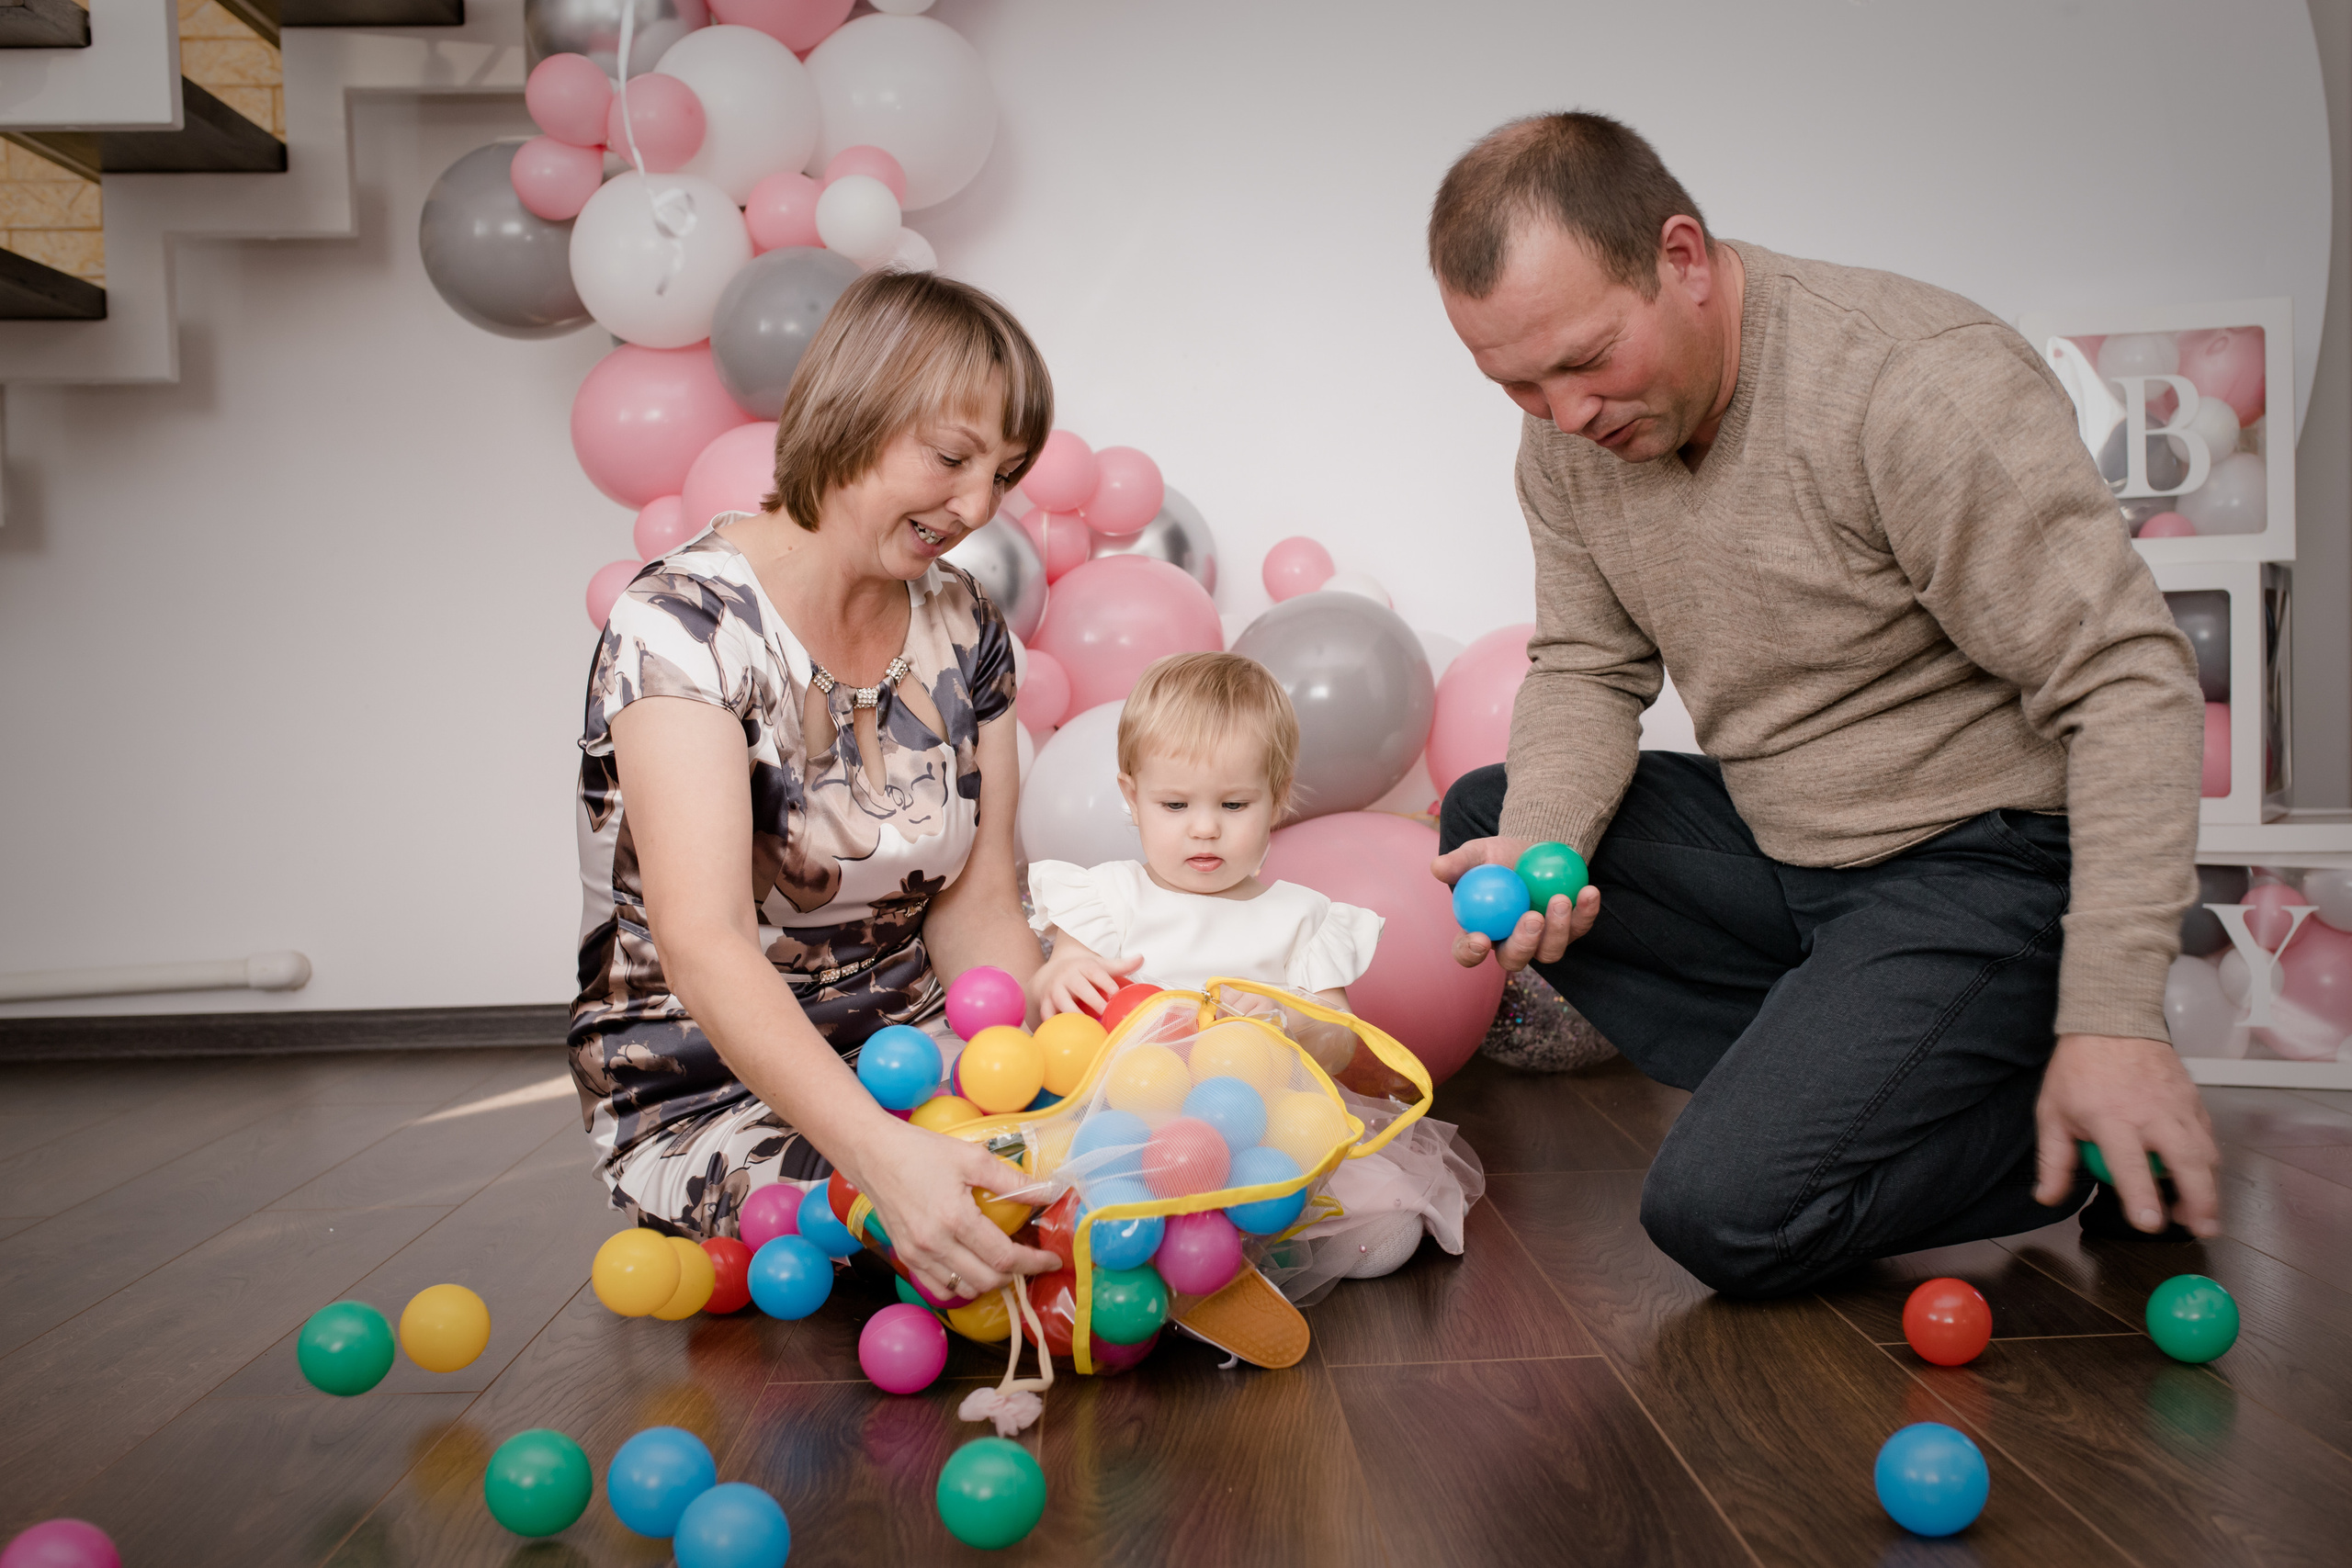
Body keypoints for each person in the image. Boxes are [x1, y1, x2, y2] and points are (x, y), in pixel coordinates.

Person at [1423, 111, 2221, 1297]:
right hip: (1796, 852)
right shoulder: (1567, 446)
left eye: (1588, 359)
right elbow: (1588, 664)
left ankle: (2088, 1133)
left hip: (1986, 862)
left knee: (1725, 1212)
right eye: (1519, 385)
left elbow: (2130, 679)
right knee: (1495, 807)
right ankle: (1911, 1063)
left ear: (1682, 259)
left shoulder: (1912, 386)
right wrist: (1544, 833)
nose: (1567, 415)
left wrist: (2114, 1010)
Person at [569, 270, 1060, 1305]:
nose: (977, 509)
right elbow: (703, 947)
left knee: (1115, 1160)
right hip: (711, 1089)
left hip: (916, 1051)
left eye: (1004, 476)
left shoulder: (966, 619)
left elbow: (979, 914)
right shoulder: (684, 628)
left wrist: (1052, 1082)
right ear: (855, 410)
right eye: (952, 458)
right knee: (999, 1222)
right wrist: (886, 1157)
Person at [1025, 651, 1483, 1288]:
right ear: (1133, 796)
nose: (1206, 828)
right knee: (1057, 1191)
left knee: (1388, 1231)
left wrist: (1291, 1019)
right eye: (1176, 804)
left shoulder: (1299, 916)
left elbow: (1340, 1032)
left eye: (1235, 804)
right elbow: (1054, 982)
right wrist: (1058, 978)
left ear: (1278, 797)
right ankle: (1179, 1249)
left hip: (1261, 1130)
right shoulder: (1107, 894)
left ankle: (1250, 1248)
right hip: (1127, 1121)